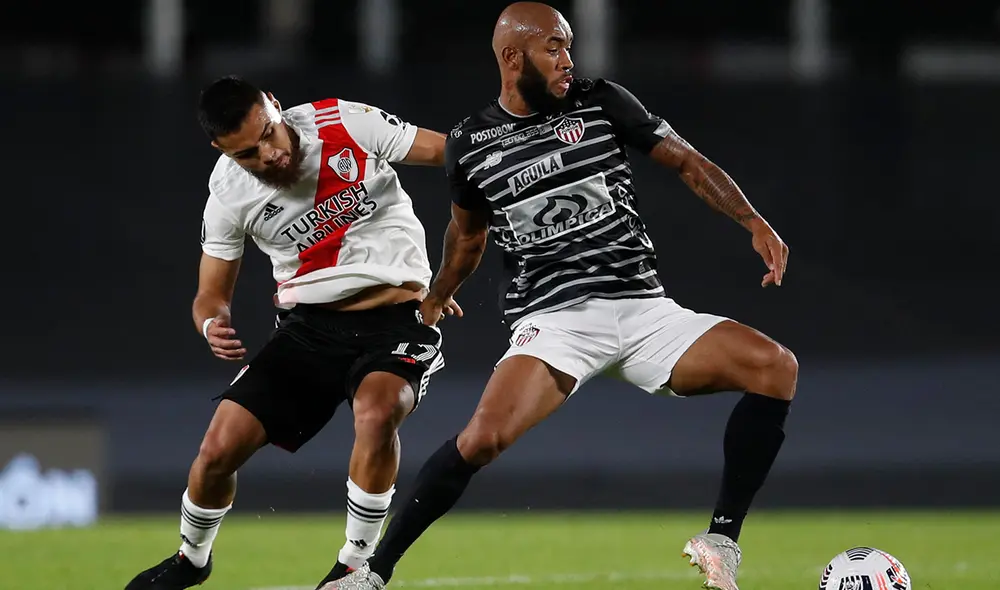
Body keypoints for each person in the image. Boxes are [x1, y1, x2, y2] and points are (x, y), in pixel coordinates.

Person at [326, 2, 798, 590]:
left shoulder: (602, 102)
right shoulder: (470, 144)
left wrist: (752, 221)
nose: (568, 61)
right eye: (554, 48)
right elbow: (467, 237)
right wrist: (436, 295)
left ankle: (721, 539)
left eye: (569, 46)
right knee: (481, 439)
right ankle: (372, 574)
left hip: (645, 309)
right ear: (511, 57)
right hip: (557, 320)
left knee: (774, 367)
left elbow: (687, 162)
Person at [123, 75, 459, 590]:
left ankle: (353, 565)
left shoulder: (343, 121)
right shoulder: (229, 193)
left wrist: (454, 270)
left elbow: (453, 155)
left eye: (268, 134)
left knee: (378, 409)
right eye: (247, 154)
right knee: (217, 450)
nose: (269, 156)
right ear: (221, 150)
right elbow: (209, 294)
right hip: (308, 330)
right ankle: (192, 558)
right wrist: (212, 322)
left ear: (276, 106)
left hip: (396, 318)